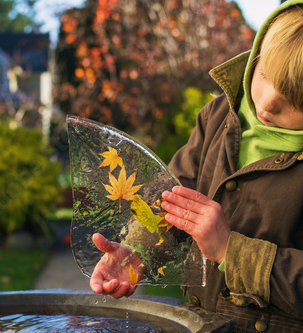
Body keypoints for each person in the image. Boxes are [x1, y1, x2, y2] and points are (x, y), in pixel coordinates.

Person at [89, 1, 303, 332]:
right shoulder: (218, 117)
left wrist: (231, 250)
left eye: (294, 98)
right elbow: (170, 195)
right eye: (264, 73)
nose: (268, 101)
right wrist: (136, 249)